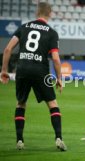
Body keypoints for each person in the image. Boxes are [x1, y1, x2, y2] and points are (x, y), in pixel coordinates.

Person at [0, 2, 67, 151]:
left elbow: (7, 49)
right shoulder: (51, 32)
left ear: (37, 13)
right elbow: (55, 58)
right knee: (53, 104)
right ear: (50, 14)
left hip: (22, 69)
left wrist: (4, 70)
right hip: (40, 71)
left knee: (21, 103)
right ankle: (58, 138)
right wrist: (59, 78)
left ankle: (19, 141)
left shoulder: (24, 27)